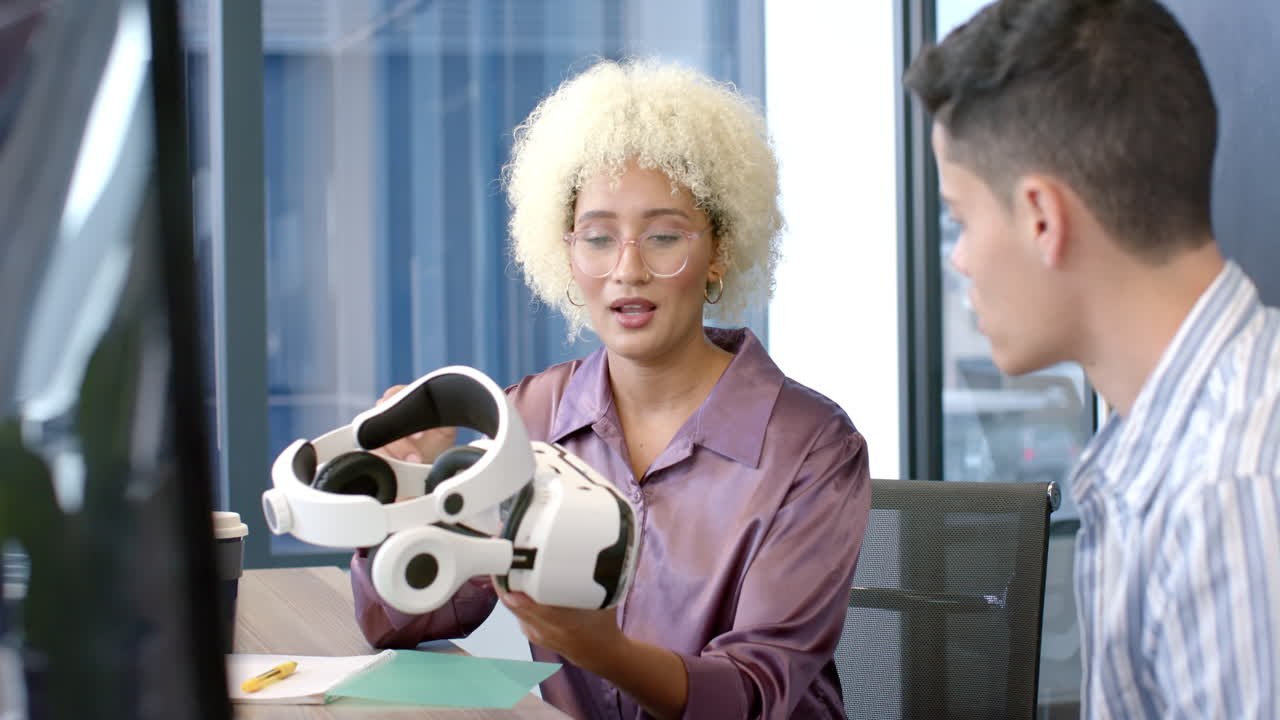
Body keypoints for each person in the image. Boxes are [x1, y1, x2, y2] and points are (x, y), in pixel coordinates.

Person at [350, 58, 871, 720]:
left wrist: (604, 651)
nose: (627, 269)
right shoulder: (528, 418)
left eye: (663, 236)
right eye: (598, 238)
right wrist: (410, 500)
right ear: (566, 254)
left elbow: (756, 696)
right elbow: (399, 621)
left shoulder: (811, 447)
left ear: (719, 250)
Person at [905, 0, 1280, 717]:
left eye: (961, 219)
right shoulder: (1173, 441)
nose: (959, 259)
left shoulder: (1231, 492)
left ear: (1043, 218)